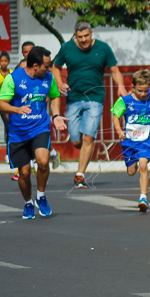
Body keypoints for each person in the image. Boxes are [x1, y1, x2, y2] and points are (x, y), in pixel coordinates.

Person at [52, 20, 125, 188]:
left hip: (95, 98)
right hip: (73, 98)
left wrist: (120, 85)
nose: (84, 40)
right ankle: (80, 150)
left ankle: (80, 175)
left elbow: (114, 70)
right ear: (75, 36)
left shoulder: (103, 48)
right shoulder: (67, 48)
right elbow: (55, 67)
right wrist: (59, 82)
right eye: (80, 37)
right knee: (76, 139)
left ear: (91, 34)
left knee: (88, 136)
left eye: (86, 36)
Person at [0, 47, 69, 219]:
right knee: (24, 173)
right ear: (35, 66)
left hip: (40, 128)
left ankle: (41, 196)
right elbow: (2, 104)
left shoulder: (48, 78)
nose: (50, 68)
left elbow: (55, 97)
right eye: (47, 65)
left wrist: (57, 115)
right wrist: (16, 109)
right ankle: (28, 202)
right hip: (18, 133)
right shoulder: (13, 79)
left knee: (43, 162)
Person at [111, 69, 150, 212]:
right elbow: (115, 116)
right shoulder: (125, 101)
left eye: (146, 91)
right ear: (134, 87)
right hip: (129, 140)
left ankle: (143, 198)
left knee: (143, 166)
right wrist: (119, 131)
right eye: (140, 91)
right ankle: (131, 162)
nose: (143, 94)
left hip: (145, 139)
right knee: (131, 171)